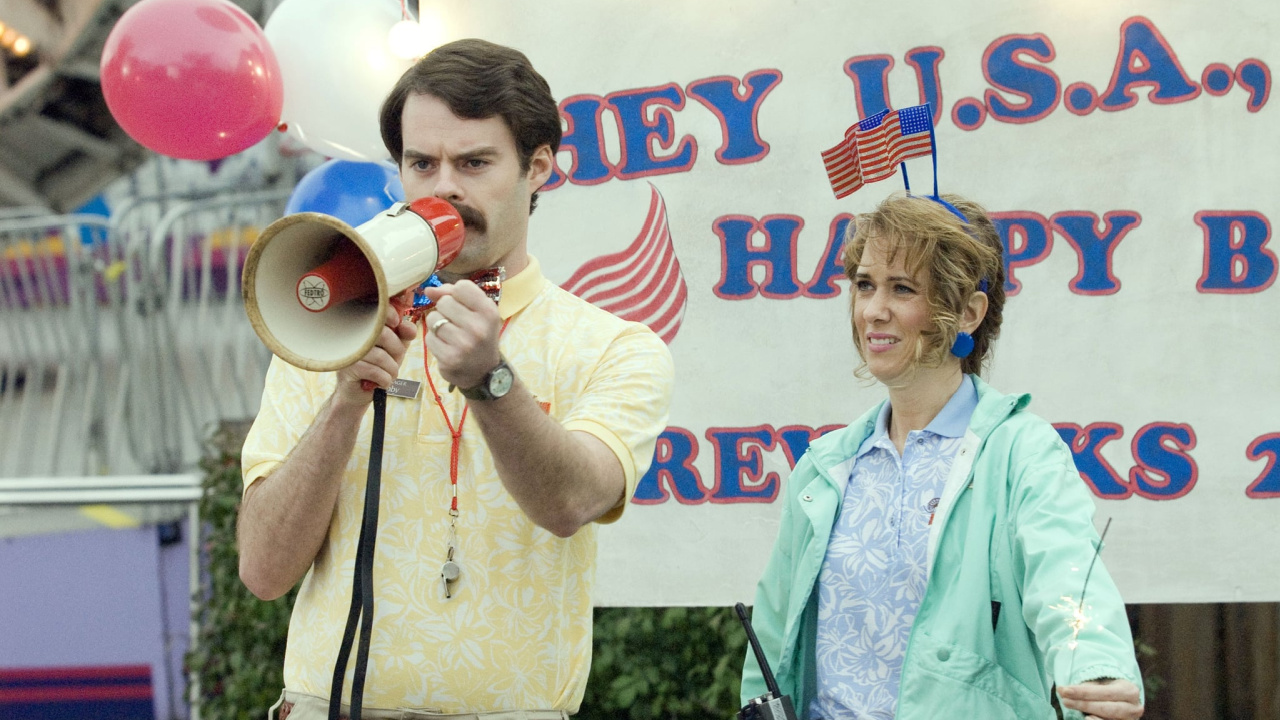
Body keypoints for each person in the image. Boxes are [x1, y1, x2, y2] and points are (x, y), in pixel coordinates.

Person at [238, 39, 674, 719]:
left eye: (473, 163)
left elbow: (572, 503)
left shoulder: (613, 346)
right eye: (422, 163)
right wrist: (344, 405)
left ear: (538, 169)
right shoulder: (334, 325)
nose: (444, 188)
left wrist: (491, 380)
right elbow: (263, 571)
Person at [740, 192, 1144, 720]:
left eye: (902, 288)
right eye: (865, 285)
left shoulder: (1021, 452)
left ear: (969, 313)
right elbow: (772, 636)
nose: (873, 310)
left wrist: (1096, 665)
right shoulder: (825, 465)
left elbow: (1067, 576)